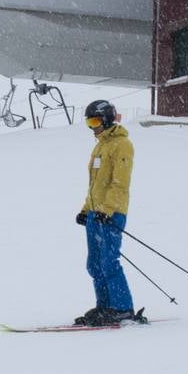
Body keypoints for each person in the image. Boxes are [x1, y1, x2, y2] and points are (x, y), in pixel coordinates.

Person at [73, 99, 138, 326]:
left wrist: (107, 210)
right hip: (95, 214)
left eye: (95, 121)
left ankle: (122, 308)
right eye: (88, 122)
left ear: (107, 119)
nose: (92, 127)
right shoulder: (100, 145)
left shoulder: (122, 145)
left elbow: (119, 183)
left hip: (111, 214)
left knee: (109, 261)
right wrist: (86, 210)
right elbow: (95, 185)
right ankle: (105, 306)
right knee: (94, 264)